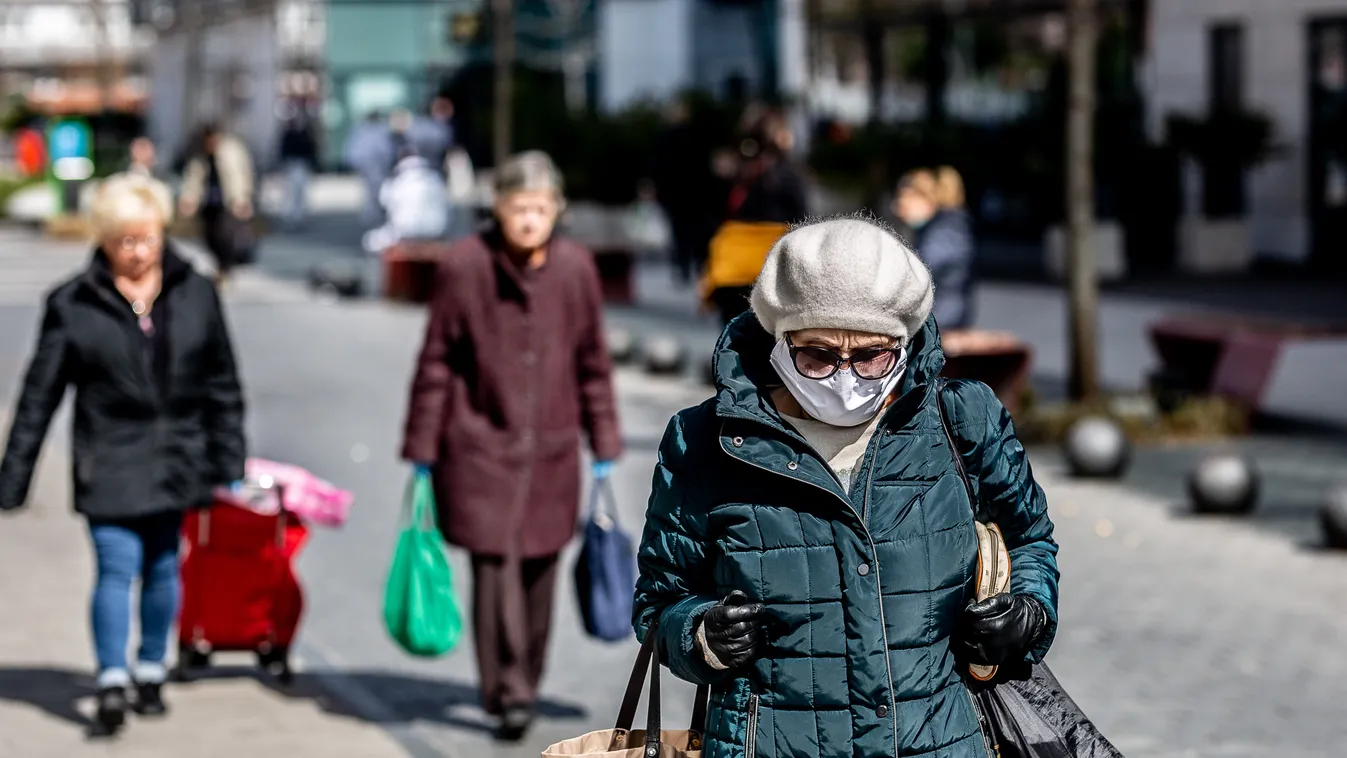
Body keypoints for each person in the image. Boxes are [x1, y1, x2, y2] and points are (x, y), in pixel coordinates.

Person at [633, 214, 1058, 758]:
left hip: (941, 742)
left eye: (871, 354)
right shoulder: (704, 441)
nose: (845, 375)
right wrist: (700, 636)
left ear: (903, 343)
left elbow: (1029, 539)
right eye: (817, 355)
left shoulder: (963, 418)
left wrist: (1027, 612)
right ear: (778, 341)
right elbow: (659, 600)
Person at [0, 173, 246, 735]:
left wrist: (228, 462)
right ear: (105, 241)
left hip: (178, 454)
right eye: (125, 242)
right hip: (108, 454)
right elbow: (40, 396)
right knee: (116, 567)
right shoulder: (72, 303)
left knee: (163, 567)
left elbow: (222, 383)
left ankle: (150, 666)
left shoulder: (196, 291)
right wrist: (13, 477)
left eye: (148, 239)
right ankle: (112, 678)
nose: (139, 252)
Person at [400, 151, 621, 743]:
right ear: (496, 209)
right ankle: (508, 693)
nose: (528, 220)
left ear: (557, 211)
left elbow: (592, 363)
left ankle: (525, 677)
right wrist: (422, 445)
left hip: (550, 449)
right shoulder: (465, 266)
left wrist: (603, 440)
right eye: (517, 208)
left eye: (539, 208)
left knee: (542, 570)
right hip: (477, 446)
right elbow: (438, 361)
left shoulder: (575, 270)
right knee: (494, 569)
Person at [701, 111, 810, 328]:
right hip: (771, 265)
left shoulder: (731, 171)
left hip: (731, 266)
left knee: (733, 332)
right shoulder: (787, 174)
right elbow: (803, 220)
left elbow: (710, 217)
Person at [894, 166, 976, 330]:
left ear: (927, 200)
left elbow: (918, 273)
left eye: (906, 198)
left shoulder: (945, 231)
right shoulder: (940, 229)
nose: (897, 206)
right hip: (944, 318)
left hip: (943, 320)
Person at [178, 124, 256, 287]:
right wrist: (189, 199)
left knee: (225, 236)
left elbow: (242, 175)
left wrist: (244, 199)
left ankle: (224, 269)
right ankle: (220, 266)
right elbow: (193, 179)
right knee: (209, 237)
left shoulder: (231, 151)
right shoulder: (200, 156)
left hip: (228, 202)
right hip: (208, 204)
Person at [361, 152, 450, 254]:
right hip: (435, 233)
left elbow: (384, 204)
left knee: (371, 241)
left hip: (404, 234)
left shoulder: (397, 182)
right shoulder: (436, 180)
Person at [345, 111, 396, 226]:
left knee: (378, 188)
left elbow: (386, 148)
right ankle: (371, 211)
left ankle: (379, 210)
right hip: (366, 163)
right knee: (369, 189)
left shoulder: (381, 129)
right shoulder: (361, 129)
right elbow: (355, 147)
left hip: (378, 163)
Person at [278, 113, 319, 230]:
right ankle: (291, 215)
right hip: (292, 165)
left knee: (301, 192)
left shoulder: (304, 134)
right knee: (291, 192)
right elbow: (283, 151)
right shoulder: (289, 134)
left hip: (302, 165)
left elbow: (310, 149)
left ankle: (300, 215)